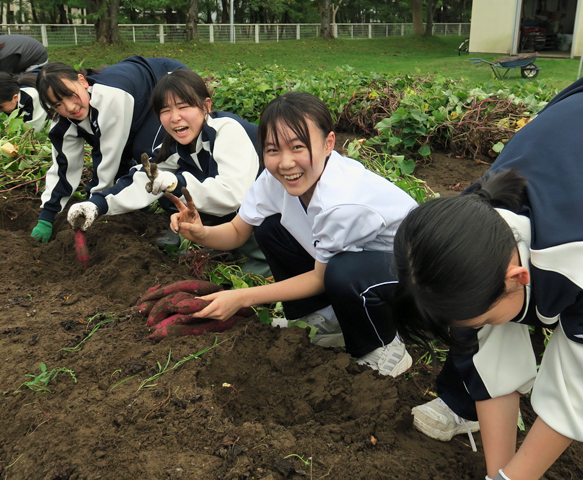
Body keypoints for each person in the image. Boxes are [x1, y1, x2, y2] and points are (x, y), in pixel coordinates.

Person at [393, 71, 583, 479]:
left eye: (482, 318)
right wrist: (498, 474)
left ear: (519, 276)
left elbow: (576, 392)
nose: (473, 328)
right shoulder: (466, 230)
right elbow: (489, 363)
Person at [167, 91, 416, 376]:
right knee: (271, 228)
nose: (285, 163)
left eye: (298, 147)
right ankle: (326, 323)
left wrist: (241, 297)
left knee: (342, 271)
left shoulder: (341, 201)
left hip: (417, 278)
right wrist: (199, 232)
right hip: (367, 264)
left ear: (328, 144)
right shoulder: (273, 180)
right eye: (273, 150)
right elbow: (237, 230)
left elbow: (321, 278)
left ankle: (385, 345)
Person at [66, 69, 261, 263]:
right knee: (170, 188)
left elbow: (233, 194)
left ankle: (252, 254)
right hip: (243, 219)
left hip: (273, 214)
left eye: (183, 106)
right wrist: (96, 204)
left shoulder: (227, 130)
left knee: (180, 185)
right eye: (165, 110)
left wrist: (177, 183)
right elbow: (143, 177)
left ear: (206, 106)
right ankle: (223, 246)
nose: (175, 117)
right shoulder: (173, 145)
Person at [30, 55, 188, 243]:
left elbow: (106, 160)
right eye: (57, 104)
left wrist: (91, 205)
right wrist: (46, 217)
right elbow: (64, 168)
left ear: (82, 81)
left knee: (150, 152)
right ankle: (137, 205)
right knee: (123, 158)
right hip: (135, 104)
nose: (70, 107)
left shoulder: (110, 97)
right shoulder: (62, 124)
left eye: (70, 95)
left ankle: (181, 218)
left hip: (168, 82)